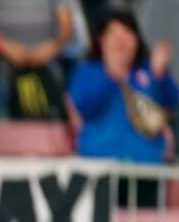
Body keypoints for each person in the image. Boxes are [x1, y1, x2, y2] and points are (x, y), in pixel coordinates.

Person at [68, 9, 177, 165]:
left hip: (146, 165)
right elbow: (85, 106)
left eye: (127, 32)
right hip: (99, 163)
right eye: (113, 34)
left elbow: (171, 103)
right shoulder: (87, 71)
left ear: (137, 39)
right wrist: (110, 75)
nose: (121, 41)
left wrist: (160, 76)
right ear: (101, 40)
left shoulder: (148, 70)